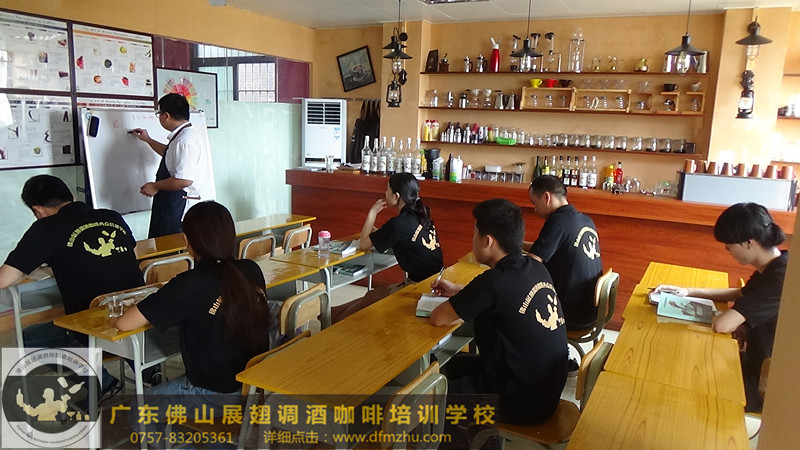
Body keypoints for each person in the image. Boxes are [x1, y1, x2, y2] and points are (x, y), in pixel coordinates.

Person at [114, 201, 271, 412]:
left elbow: (124, 324)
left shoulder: (191, 283)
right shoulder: (251, 269)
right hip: (254, 385)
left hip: (216, 394)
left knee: (136, 410)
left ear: (187, 240)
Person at [0, 175, 145, 394]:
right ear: (71, 197)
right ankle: (148, 371)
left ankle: (102, 383)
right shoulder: (111, 216)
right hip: (139, 315)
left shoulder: (45, 229)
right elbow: (132, 254)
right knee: (120, 312)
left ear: (37, 210)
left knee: (27, 339)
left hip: (95, 328)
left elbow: (4, 279)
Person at [430, 199, 567, 425]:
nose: (472, 239)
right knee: (450, 364)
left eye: (474, 233)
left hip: (518, 401)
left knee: (425, 398)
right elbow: (506, 297)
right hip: (544, 391)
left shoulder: (494, 281)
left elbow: (438, 318)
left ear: (488, 241)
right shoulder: (536, 267)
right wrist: (458, 291)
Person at [654, 202, 787, 413]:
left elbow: (723, 325)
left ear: (749, 242)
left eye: (729, 243)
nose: (726, 249)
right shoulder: (776, 264)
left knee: (684, 377)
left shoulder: (781, 278)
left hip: (762, 382)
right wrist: (688, 292)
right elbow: (739, 293)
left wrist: (722, 316)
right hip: (751, 360)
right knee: (683, 360)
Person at [331, 173, 443, 322]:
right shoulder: (421, 214)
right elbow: (401, 238)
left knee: (371, 299)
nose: (385, 193)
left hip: (419, 288)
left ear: (396, 196)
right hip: (435, 281)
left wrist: (372, 212)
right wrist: (380, 233)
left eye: (387, 189)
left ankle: (335, 323)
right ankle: (330, 315)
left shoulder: (398, 224)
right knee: (370, 296)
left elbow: (363, 244)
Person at [525, 175, 603, 374]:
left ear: (546, 197)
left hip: (570, 313)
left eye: (534, 203)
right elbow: (545, 249)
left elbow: (532, 263)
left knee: (517, 302)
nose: (534, 209)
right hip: (591, 309)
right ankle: (559, 353)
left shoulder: (557, 222)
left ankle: (537, 363)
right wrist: (517, 245)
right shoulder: (584, 219)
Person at [131, 93, 215, 238]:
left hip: (177, 209)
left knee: (169, 249)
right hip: (171, 206)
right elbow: (169, 153)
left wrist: (155, 186)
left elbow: (183, 180)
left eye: (159, 114)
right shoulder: (186, 134)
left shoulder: (185, 140)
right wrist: (148, 140)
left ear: (166, 116)